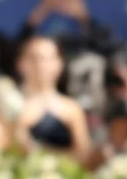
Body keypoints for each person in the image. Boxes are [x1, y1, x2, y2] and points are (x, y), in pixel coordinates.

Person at [13, 35, 92, 163]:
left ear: (59, 64)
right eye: (33, 58)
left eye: (46, 59)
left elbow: (84, 155)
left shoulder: (72, 108)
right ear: (21, 64)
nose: (40, 65)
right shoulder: (10, 105)